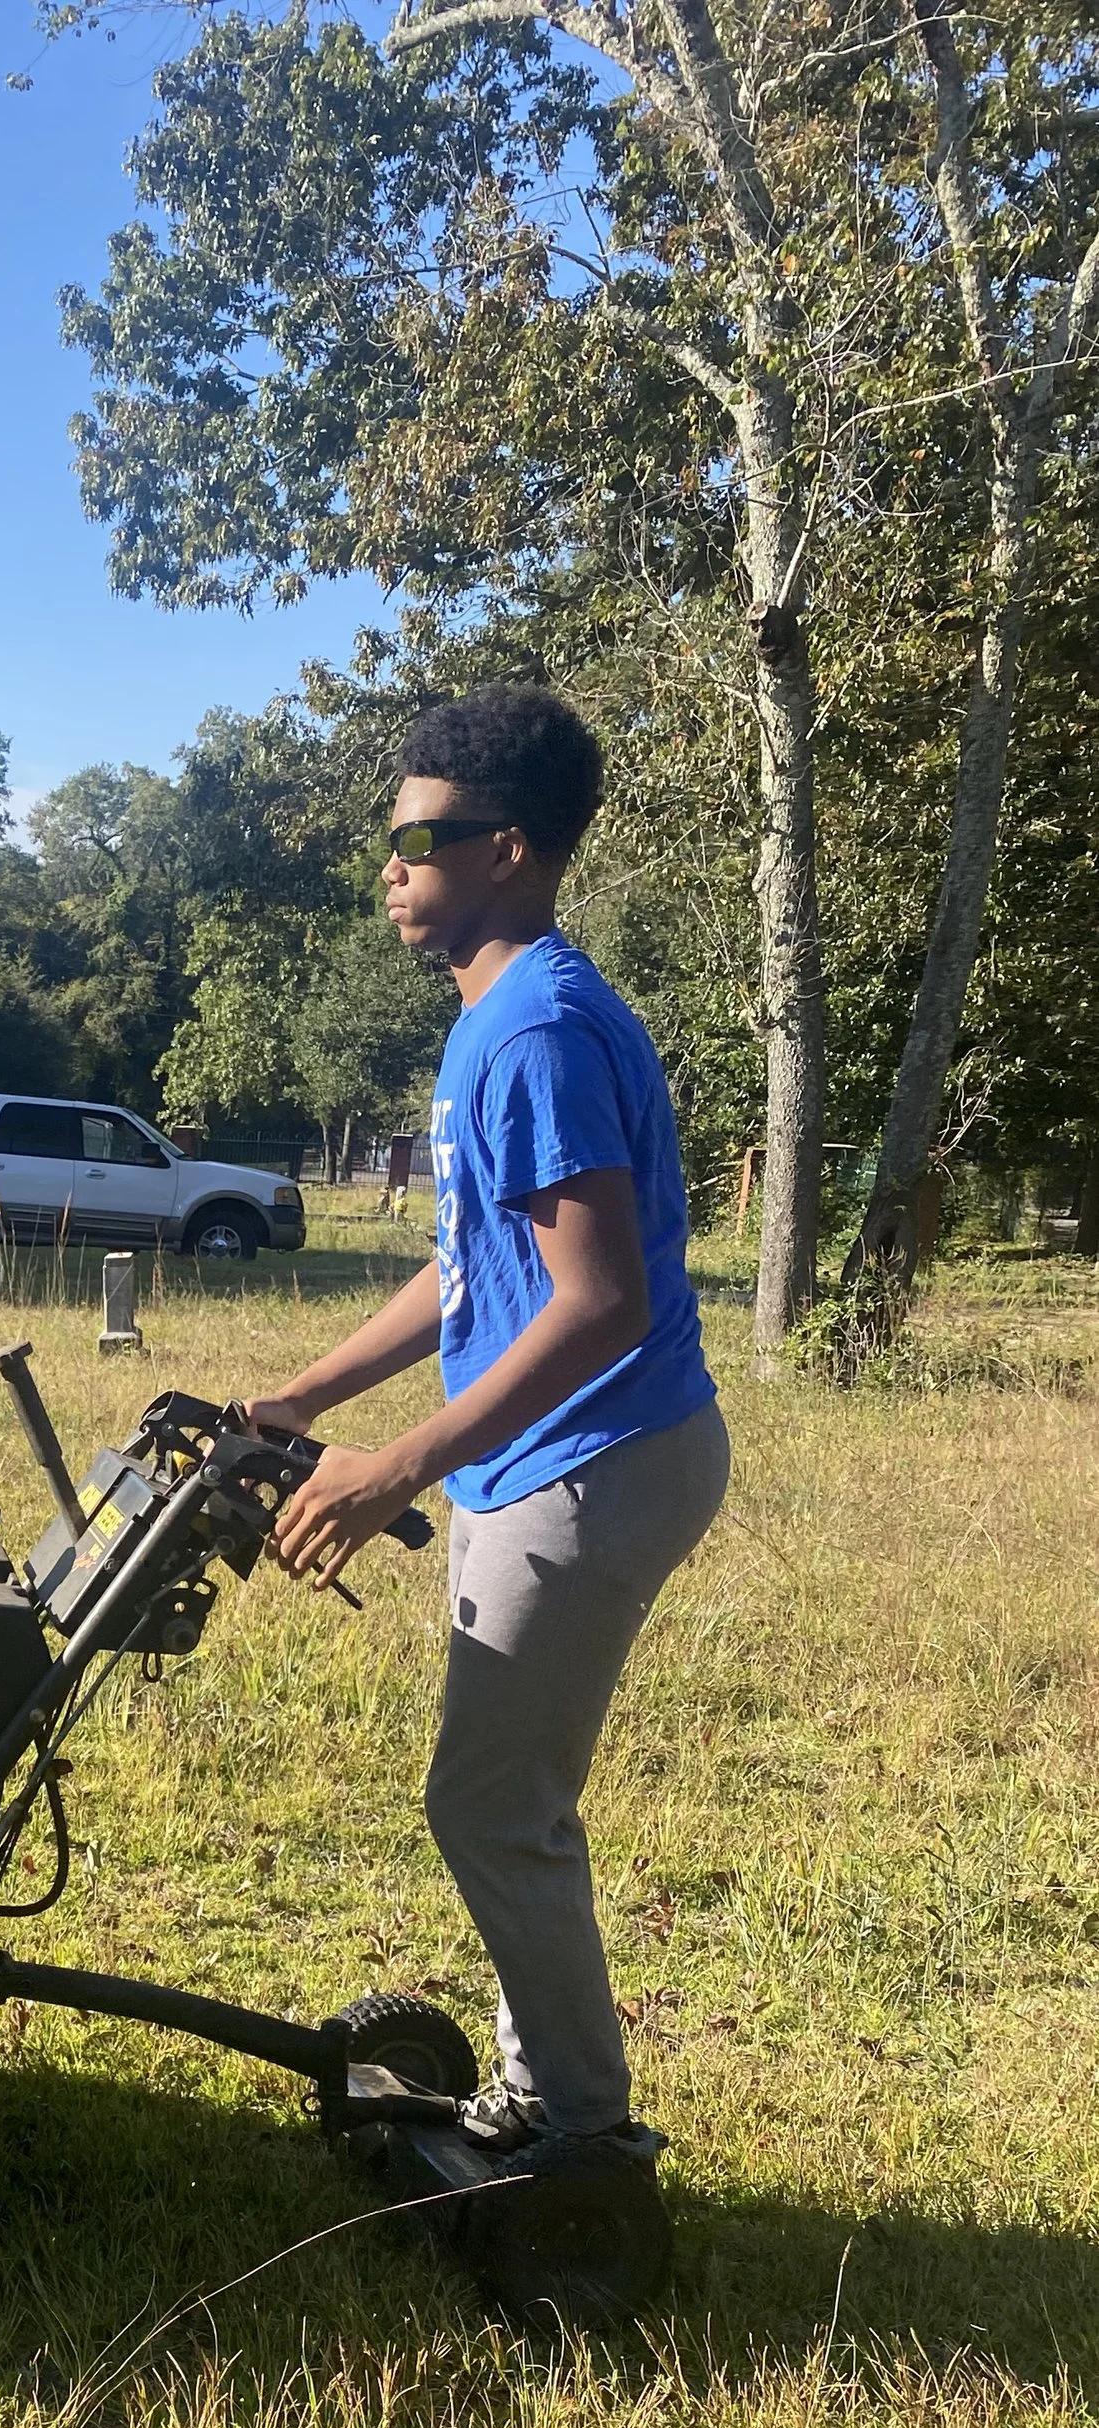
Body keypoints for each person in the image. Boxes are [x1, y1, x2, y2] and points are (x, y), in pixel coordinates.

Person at [245, 684, 727, 2186]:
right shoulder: (498, 1021)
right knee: (504, 1799)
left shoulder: (533, 1030)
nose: (389, 863)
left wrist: (395, 1464)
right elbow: (475, 1268)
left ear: (508, 849)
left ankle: (581, 2139)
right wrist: (311, 1399)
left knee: (493, 1804)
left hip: (595, 1458)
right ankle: (537, 2089)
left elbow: (594, 1302)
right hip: (554, 1451)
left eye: (417, 835)